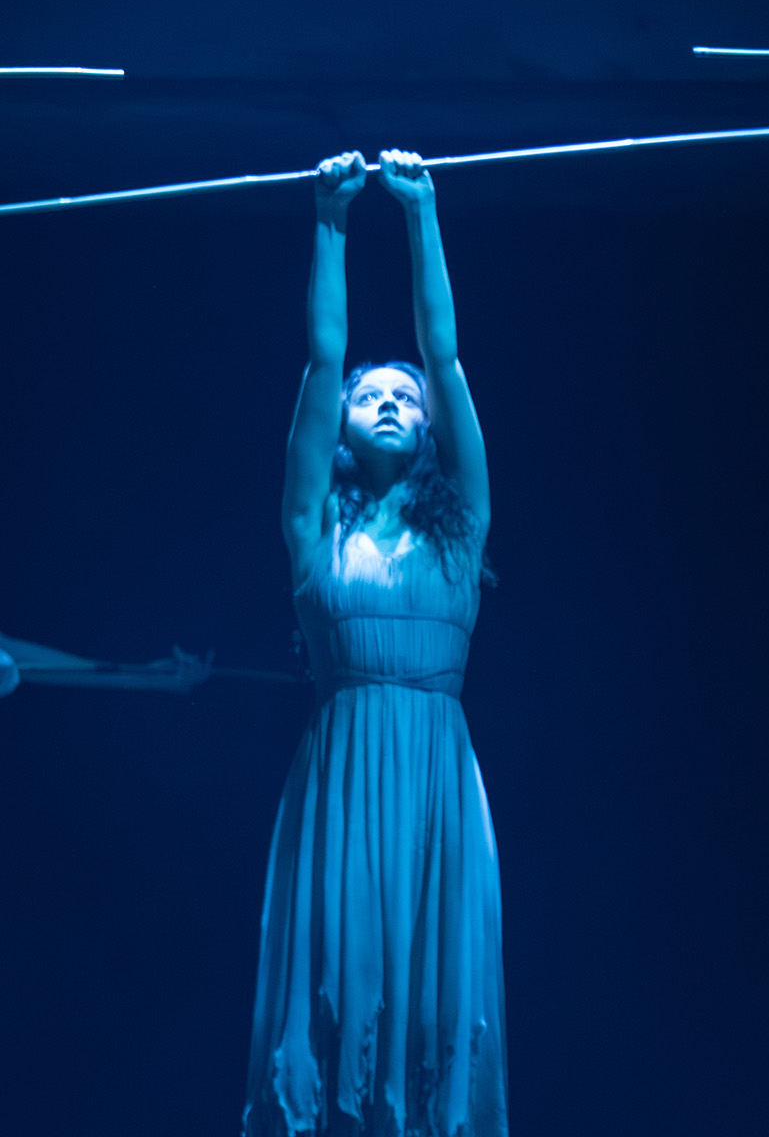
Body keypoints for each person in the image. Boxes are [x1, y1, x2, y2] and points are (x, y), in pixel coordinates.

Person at [246, 150, 505, 1137]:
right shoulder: (318, 535)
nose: (392, 398)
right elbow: (321, 358)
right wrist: (330, 220)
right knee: (338, 996)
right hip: (343, 784)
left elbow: (446, 355)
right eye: (371, 395)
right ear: (344, 429)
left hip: (438, 781)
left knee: (439, 1011)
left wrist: (424, 214)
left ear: (434, 427)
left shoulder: (464, 524)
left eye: (408, 397)